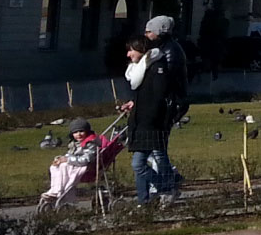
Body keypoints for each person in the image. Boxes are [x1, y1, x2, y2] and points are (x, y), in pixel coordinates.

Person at [120, 35, 182, 205]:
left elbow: (158, 97)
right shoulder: (142, 69)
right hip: (140, 123)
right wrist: (134, 103)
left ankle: (165, 187)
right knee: (141, 164)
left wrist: (147, 113)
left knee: (138, 164)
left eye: (131, 50)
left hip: (150, 125)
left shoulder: (157, 68)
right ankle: (144, 200)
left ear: (140, 49)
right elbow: (146, 95)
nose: (128, 54)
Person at [38, 118, 106, 209]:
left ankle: (59, 191)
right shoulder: (75, 143)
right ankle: (55, 189)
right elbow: (69, 154)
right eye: (76, 132)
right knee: (55, 167)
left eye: (81, 131)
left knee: (65, 165)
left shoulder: (91, 144)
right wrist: (60, 159)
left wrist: (68, 159)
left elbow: (86, 159)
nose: (78, 134)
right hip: (75, 163)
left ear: (87, 131)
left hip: (86, 166)